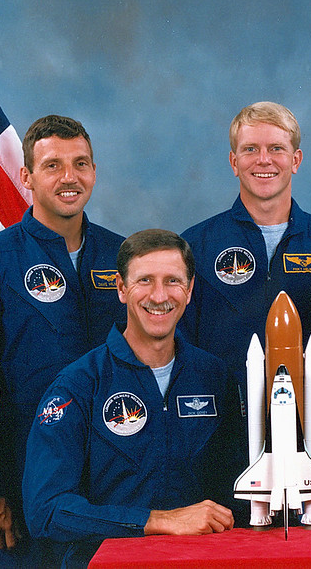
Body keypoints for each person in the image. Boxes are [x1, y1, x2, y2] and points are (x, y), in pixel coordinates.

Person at [0, 115, 126, 567]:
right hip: (27, 471)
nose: (70, 177)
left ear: (94, 172)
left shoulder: (125, 257)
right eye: (52, 165)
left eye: (80, 163)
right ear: (26, 176)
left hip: (118, 465)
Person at [22, 229, 243, 567]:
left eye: (172, 281)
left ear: (190, 288)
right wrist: (155, 521)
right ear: (122, 289)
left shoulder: (214, 377)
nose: (159, 295)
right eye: (144, 281)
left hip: (202, 560)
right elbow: (46, 510)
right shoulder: (78, 386)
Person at [180, 101, 311, 392]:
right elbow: (180, 347)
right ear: (233, 162)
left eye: (276, 149)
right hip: (223, 421)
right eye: (250, 149)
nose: (263, 160)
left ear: (296, 160)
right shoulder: (196, 246)